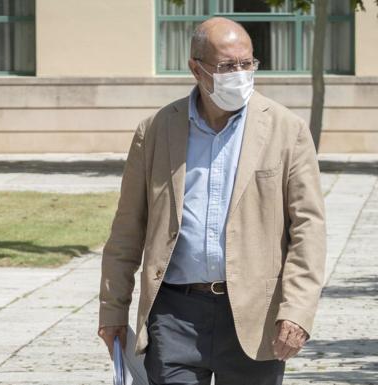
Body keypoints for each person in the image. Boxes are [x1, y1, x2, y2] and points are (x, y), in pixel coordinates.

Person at [98, 17, 326, 385]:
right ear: (196, 68)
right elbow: (127, 228)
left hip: (255, 315)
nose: (240, 74)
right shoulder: (156, 130)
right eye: (227, 66)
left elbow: (308, 230)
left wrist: (297, 310)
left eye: (247, 64)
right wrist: (112, 311)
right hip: (174, 315)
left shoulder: (287, 130)